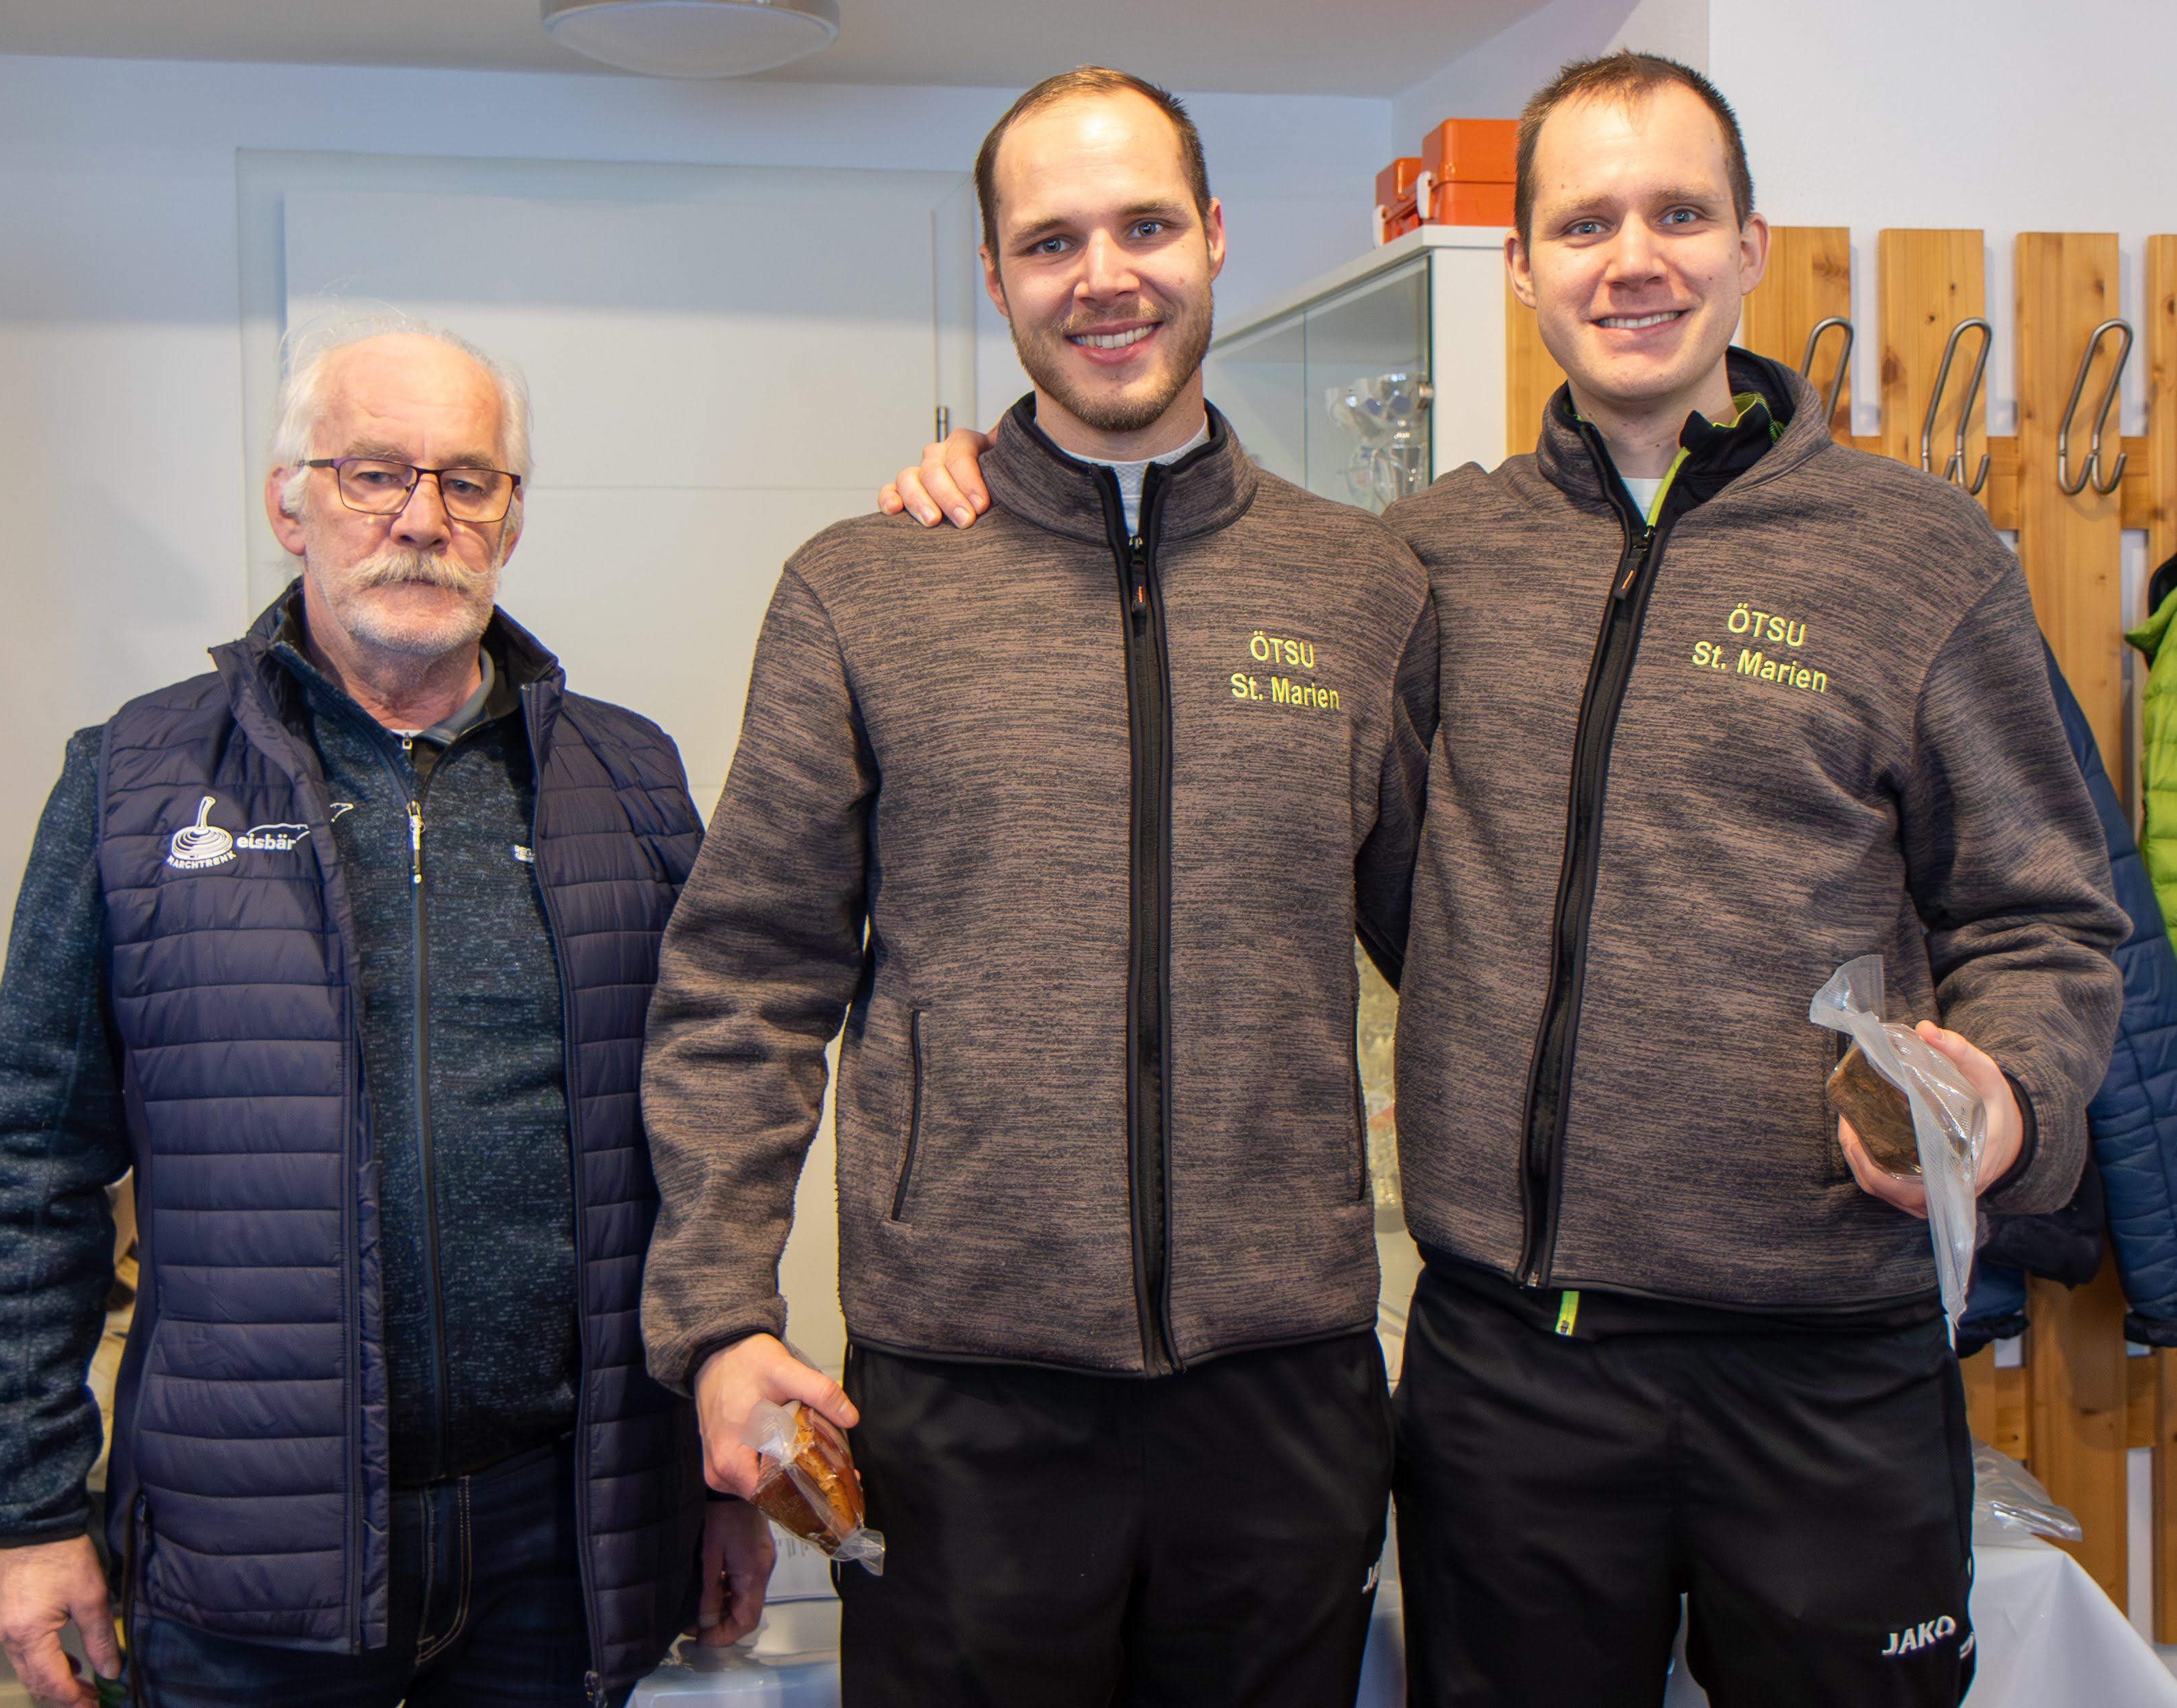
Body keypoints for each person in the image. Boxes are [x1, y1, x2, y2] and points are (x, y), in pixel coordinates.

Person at [880, 50, 2125, 1708]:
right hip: (1506, 1366)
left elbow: (2045, 912)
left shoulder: (1918, 556)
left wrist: (2008, 1093)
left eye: (1679, 214)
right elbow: (1357, 834)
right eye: (1586, 223)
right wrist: (1000, 479)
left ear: (1752, 244)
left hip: (1824, 1353)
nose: (1636, 260)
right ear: (1522, 267)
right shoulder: (1426, 558)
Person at [637, 67, 1432, 1708]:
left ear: (1215, 236)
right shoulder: (866, 589)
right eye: (1052, 241)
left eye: (1146, 226)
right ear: (995, 277)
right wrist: (716, 1316)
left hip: (1282, 1397)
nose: (1105, 277)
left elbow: (1473, 957)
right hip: (961, 1403)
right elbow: (746, 982)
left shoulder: (1361, 586)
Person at [0, 315, 770, 1708]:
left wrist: (714, 1480)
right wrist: (33, 1510)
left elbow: (700, 1147)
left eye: (469, 480)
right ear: (290, 505)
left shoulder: (632, 777)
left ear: (512, 514)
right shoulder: (134, 777)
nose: (423, 518)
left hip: (561, 1538)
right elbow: (36, 1169)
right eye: (374, 473)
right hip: (248, 1546)